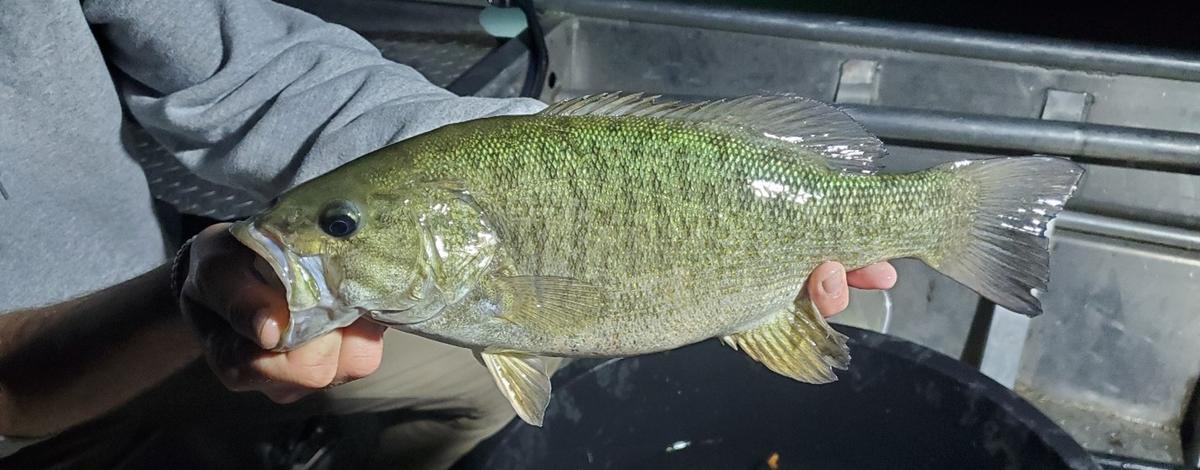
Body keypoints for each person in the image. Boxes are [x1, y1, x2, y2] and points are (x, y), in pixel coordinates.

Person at [0, 0, 898, 468]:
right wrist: (183, 300)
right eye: (338, 227)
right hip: (41, 405)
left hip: (177, 295)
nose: (321, 232)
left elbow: (248, 64)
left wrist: (507, 152)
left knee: (482, 396)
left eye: (339, 225)